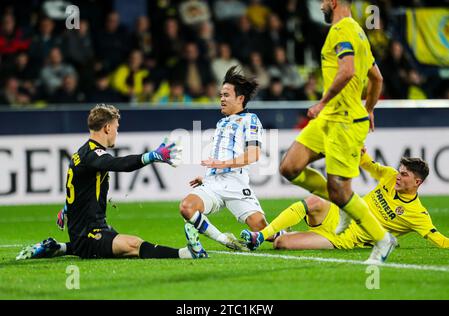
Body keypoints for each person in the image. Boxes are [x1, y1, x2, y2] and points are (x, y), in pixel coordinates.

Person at [244, 0, 396, 264]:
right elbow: (377, 78)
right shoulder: (358, 31)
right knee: (290, 167)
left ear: (334, 2)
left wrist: (323, 102)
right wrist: (369, 109)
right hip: (330, 119)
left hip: (344, 121)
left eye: (323, 1)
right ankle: (345, 203)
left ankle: (382, 240)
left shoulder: (342, 31)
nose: (321, 6)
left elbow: (348, 71)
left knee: (339, 191)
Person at [16, 104, 207, 260]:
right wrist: (151, 156)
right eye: (116, 127)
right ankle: (186, 254)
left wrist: (67, 207)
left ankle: (56, 247)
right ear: (107, 127)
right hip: (90, 233)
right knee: (133, 245)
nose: (116, 132)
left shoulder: (82, 153)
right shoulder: (93, 154)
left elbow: (79, 186)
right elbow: (118, 163)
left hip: (90, 229)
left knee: (115, 243)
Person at [241, 149, 449, 259]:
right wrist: (360, 151)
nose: (397, 177)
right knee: (314, 201)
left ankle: (277, 235)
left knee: (281, 245)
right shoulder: (389, 175)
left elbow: (439, 239)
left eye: (404, 175)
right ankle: (260, 235)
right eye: (399, 171)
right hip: (341, 213)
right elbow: (368, 164)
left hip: (346, 238)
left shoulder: (418, 214)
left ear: (417, 182)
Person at [179, 66, 274, 251]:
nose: (221, 99)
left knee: (268, 234)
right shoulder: (221, 122)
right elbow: (221, 155)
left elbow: (253, 155)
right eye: (220, 95)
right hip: (213, 184)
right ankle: (226, 240)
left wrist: (223, 165)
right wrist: (208, 176)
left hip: (235, 184)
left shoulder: (251, 120)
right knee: (187, 207)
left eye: (226, 95)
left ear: (240, 98)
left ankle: (298, 235)